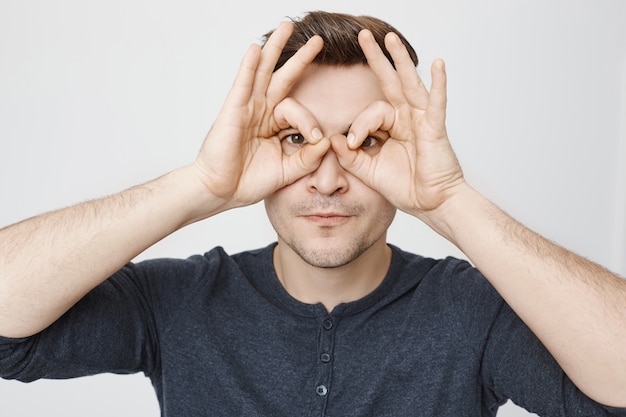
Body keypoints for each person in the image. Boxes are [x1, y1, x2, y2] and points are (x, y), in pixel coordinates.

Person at [0, 10, 625, 417]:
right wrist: (201, 185)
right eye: (297, 139)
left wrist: (451, 202)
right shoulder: (177, 301)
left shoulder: (474, 311)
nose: (328, 180)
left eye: (366, 141)